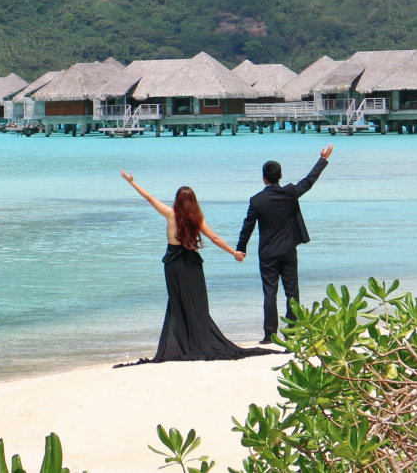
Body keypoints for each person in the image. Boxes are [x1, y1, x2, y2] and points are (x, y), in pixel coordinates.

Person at [119, 171, 270, 362]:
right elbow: (214, 238)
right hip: (192, 264)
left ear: (177, 200)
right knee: (196, 304)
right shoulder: (197, 219)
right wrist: (234, 253)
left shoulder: (170, 214)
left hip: (173, 265)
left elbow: (148, 197)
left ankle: (183, 343)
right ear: (193, 201)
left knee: (178, 303)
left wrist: (133, 182)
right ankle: (197, 340)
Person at [236, 145, 334, 346]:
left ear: (264, 178)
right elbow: (308, 182)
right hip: (288, 251)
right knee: (292, 292)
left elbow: (248, 226)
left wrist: (241, 248)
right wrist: (322, 159)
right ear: (280, 175)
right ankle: (292, 332)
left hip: (267, 253)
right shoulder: (289, 193)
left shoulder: (257, 200)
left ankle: (269, 335)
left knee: (269, 293)